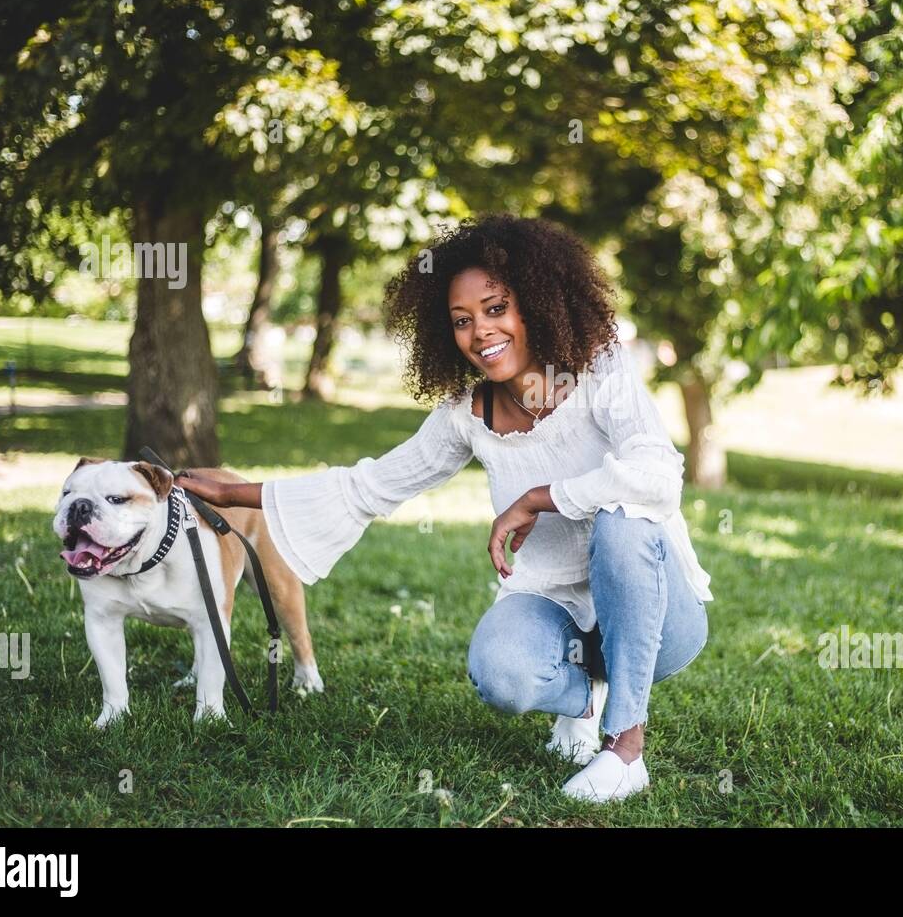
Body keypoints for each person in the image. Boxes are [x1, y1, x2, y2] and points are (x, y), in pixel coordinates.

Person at [176, 214, 713, 802]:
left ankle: (625, 750)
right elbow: (369, 486)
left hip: (658, 616)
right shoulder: (466, 415)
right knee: (500, 673)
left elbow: (657, 475)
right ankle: (582, 700)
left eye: (495, 308)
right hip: (557, 608)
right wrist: (236, 492)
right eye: (462, 320)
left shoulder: (599, 364)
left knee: (621, 519)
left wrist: (541, 498)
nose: (480, 331)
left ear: (534, 301)